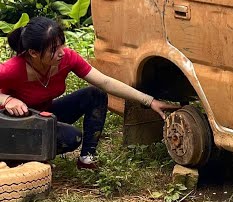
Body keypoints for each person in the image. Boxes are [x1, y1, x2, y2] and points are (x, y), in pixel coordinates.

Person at [0, 16, 179, 169]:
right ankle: (22, 157)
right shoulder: (11, 70)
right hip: (15, 125)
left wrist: (150, 101)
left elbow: (105, 82)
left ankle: (86, 159)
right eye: (54, 50)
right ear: (33, 53)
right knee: (71, 137)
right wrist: (7, 99)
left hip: (44, 116)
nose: (62, 52)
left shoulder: (67, 58)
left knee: (95, 94)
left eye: (62, 44)